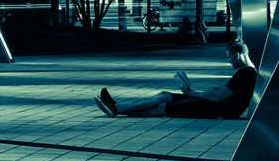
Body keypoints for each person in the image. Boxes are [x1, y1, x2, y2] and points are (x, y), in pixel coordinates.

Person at [94, 40, 257, 119]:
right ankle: (115, 106)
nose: (229, 62)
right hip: (215, 104)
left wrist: (192, 92)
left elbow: (217, 97)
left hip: (216, 109)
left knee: (163, 107)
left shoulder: (246, 73)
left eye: (230, 58)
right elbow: (227, 92)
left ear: (237, 55)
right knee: (164, 94)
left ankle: (116, 108)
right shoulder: (246, 72)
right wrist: (209, 89)